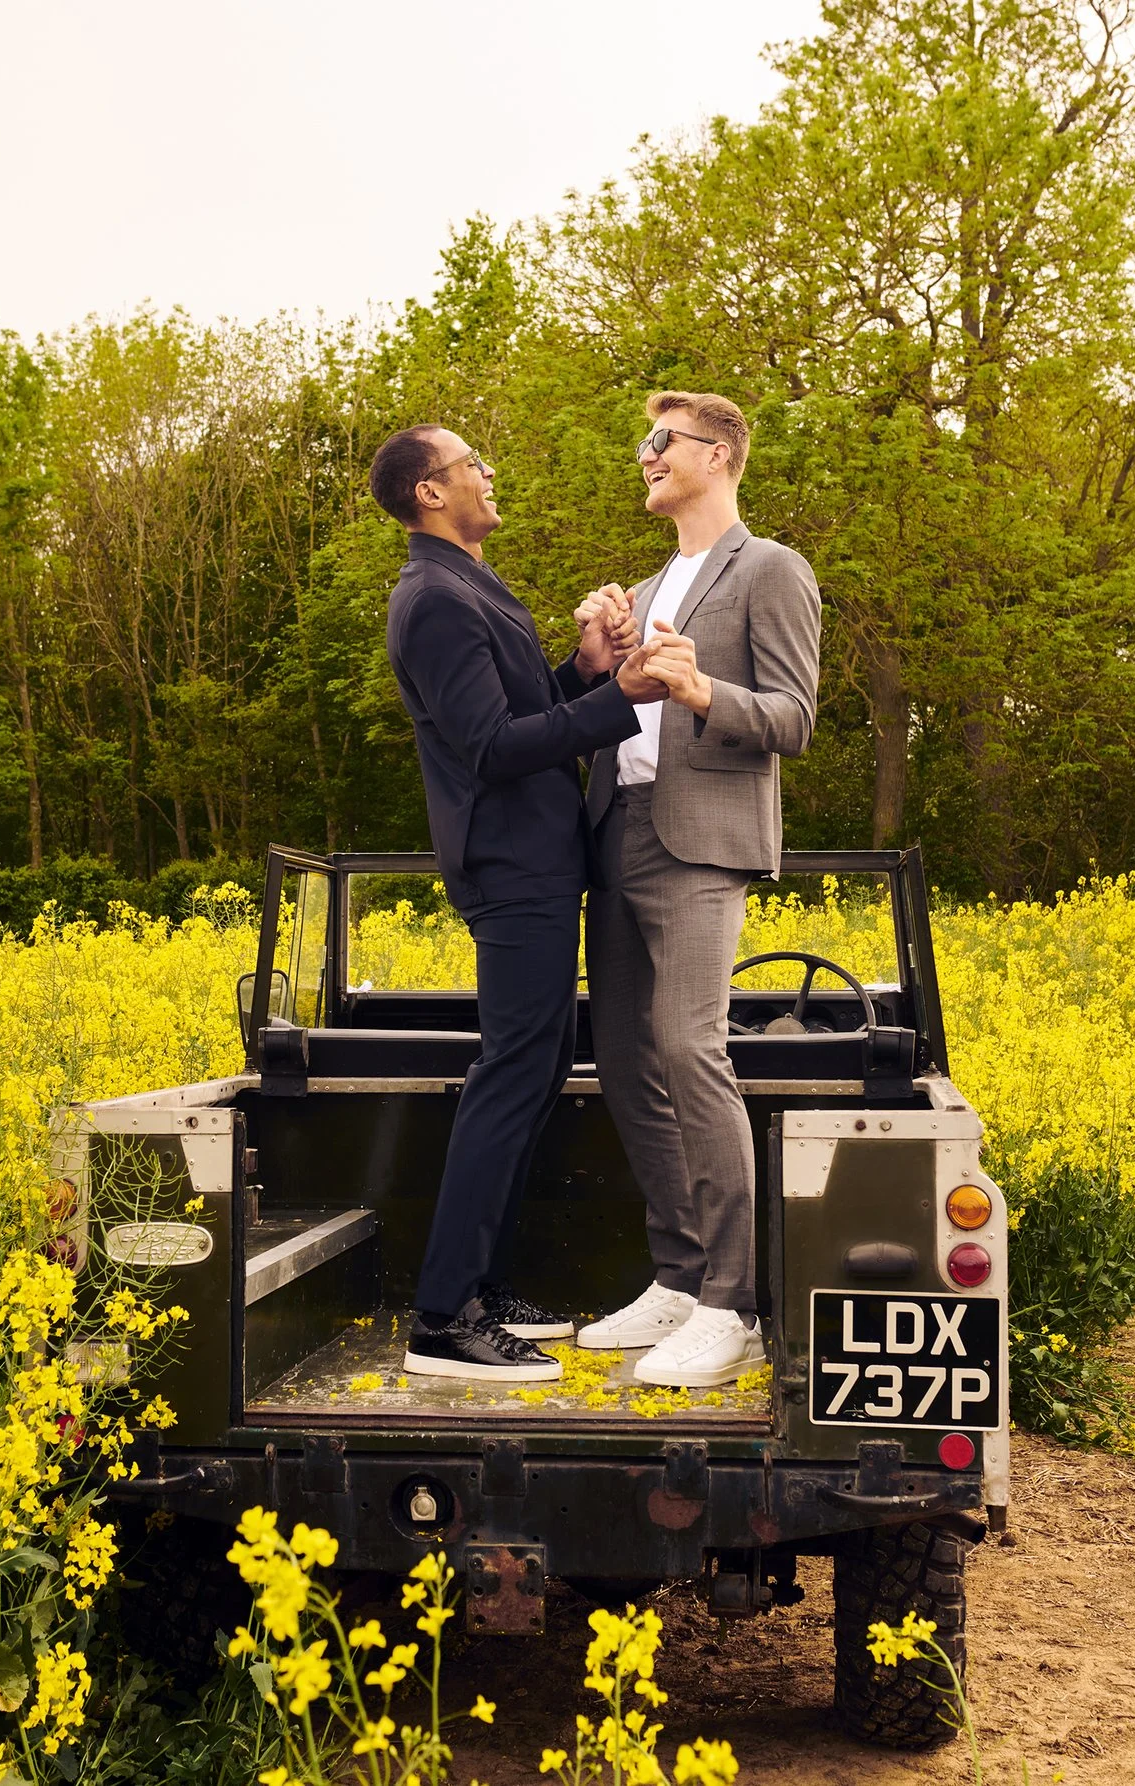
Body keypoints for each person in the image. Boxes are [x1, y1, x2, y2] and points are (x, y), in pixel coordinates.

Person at [376, 424, 663, 1381]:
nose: (488, 473)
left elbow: (515, 712)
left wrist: (581, 671)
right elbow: (491, 750)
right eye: (471, 465)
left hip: (537, 861)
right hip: (511, 867)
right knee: (511, 1076)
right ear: (429, 491)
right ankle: (442, 1320)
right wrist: (622, 691)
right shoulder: (431, 599)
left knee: (536, 1073)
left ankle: (482, 1283)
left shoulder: (468, 585)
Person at [573, 392, 822, 1387]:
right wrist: (604, 661)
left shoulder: (769, 569)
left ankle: (732, 1304)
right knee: (630, 1060)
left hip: (700, 842)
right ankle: (676, 1276)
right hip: (617, 833)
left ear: (716, 454)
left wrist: (698, 689)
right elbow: (619, 713)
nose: (644, 457)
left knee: (689, 1048)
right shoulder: (647, 582)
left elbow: (795, 716)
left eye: (659, 442)